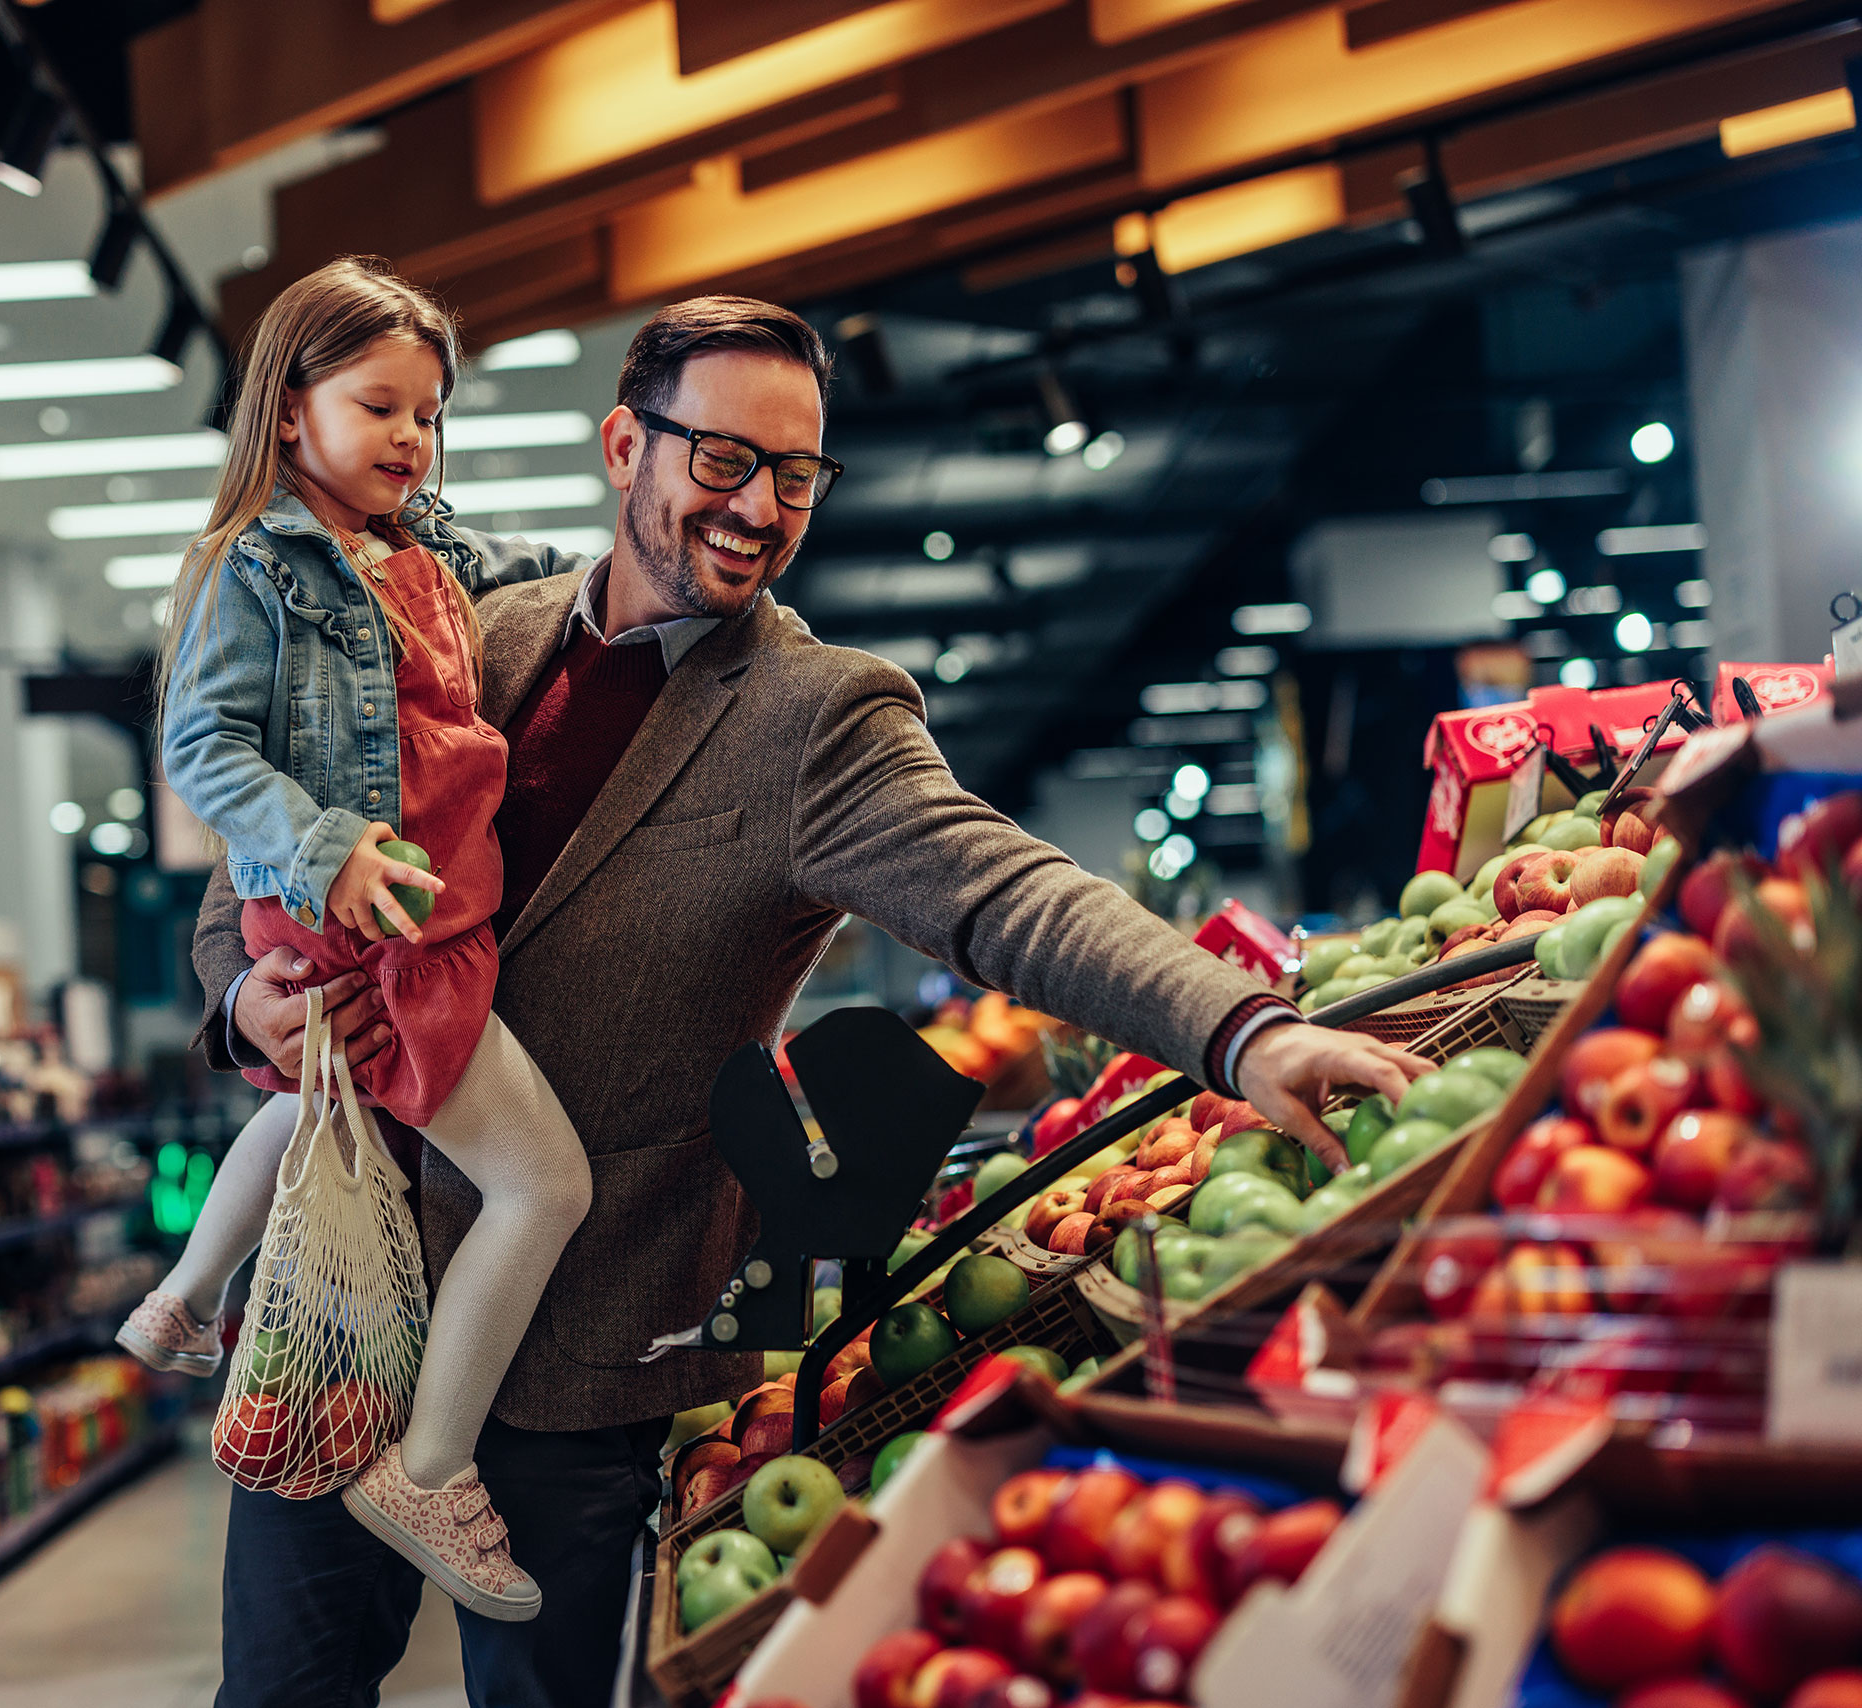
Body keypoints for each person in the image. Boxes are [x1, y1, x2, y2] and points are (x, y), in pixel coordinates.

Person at [193, 295, 1430, 1708]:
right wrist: (249, 1003)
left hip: (578, 1357)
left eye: (797, 474)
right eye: (723, 461)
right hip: (336, 1296)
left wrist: (1244, 1028)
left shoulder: (815, 717)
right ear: (623, 445)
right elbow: (255, 851)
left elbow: (1007, 892)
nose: (760, 507)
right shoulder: (460, 624)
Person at [118, 257, 602, 1623]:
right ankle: (431, 1469)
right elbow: (199, 746)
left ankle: (182, 1296)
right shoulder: (256, 563)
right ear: (287, 411)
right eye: (378, 404)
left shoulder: (422, 551)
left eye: (429, 413)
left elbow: (528, 574)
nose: (408, 435)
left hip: (406, 917)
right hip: (381, 921)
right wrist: (327, 853)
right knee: (544, 1186)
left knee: (318, 1097)